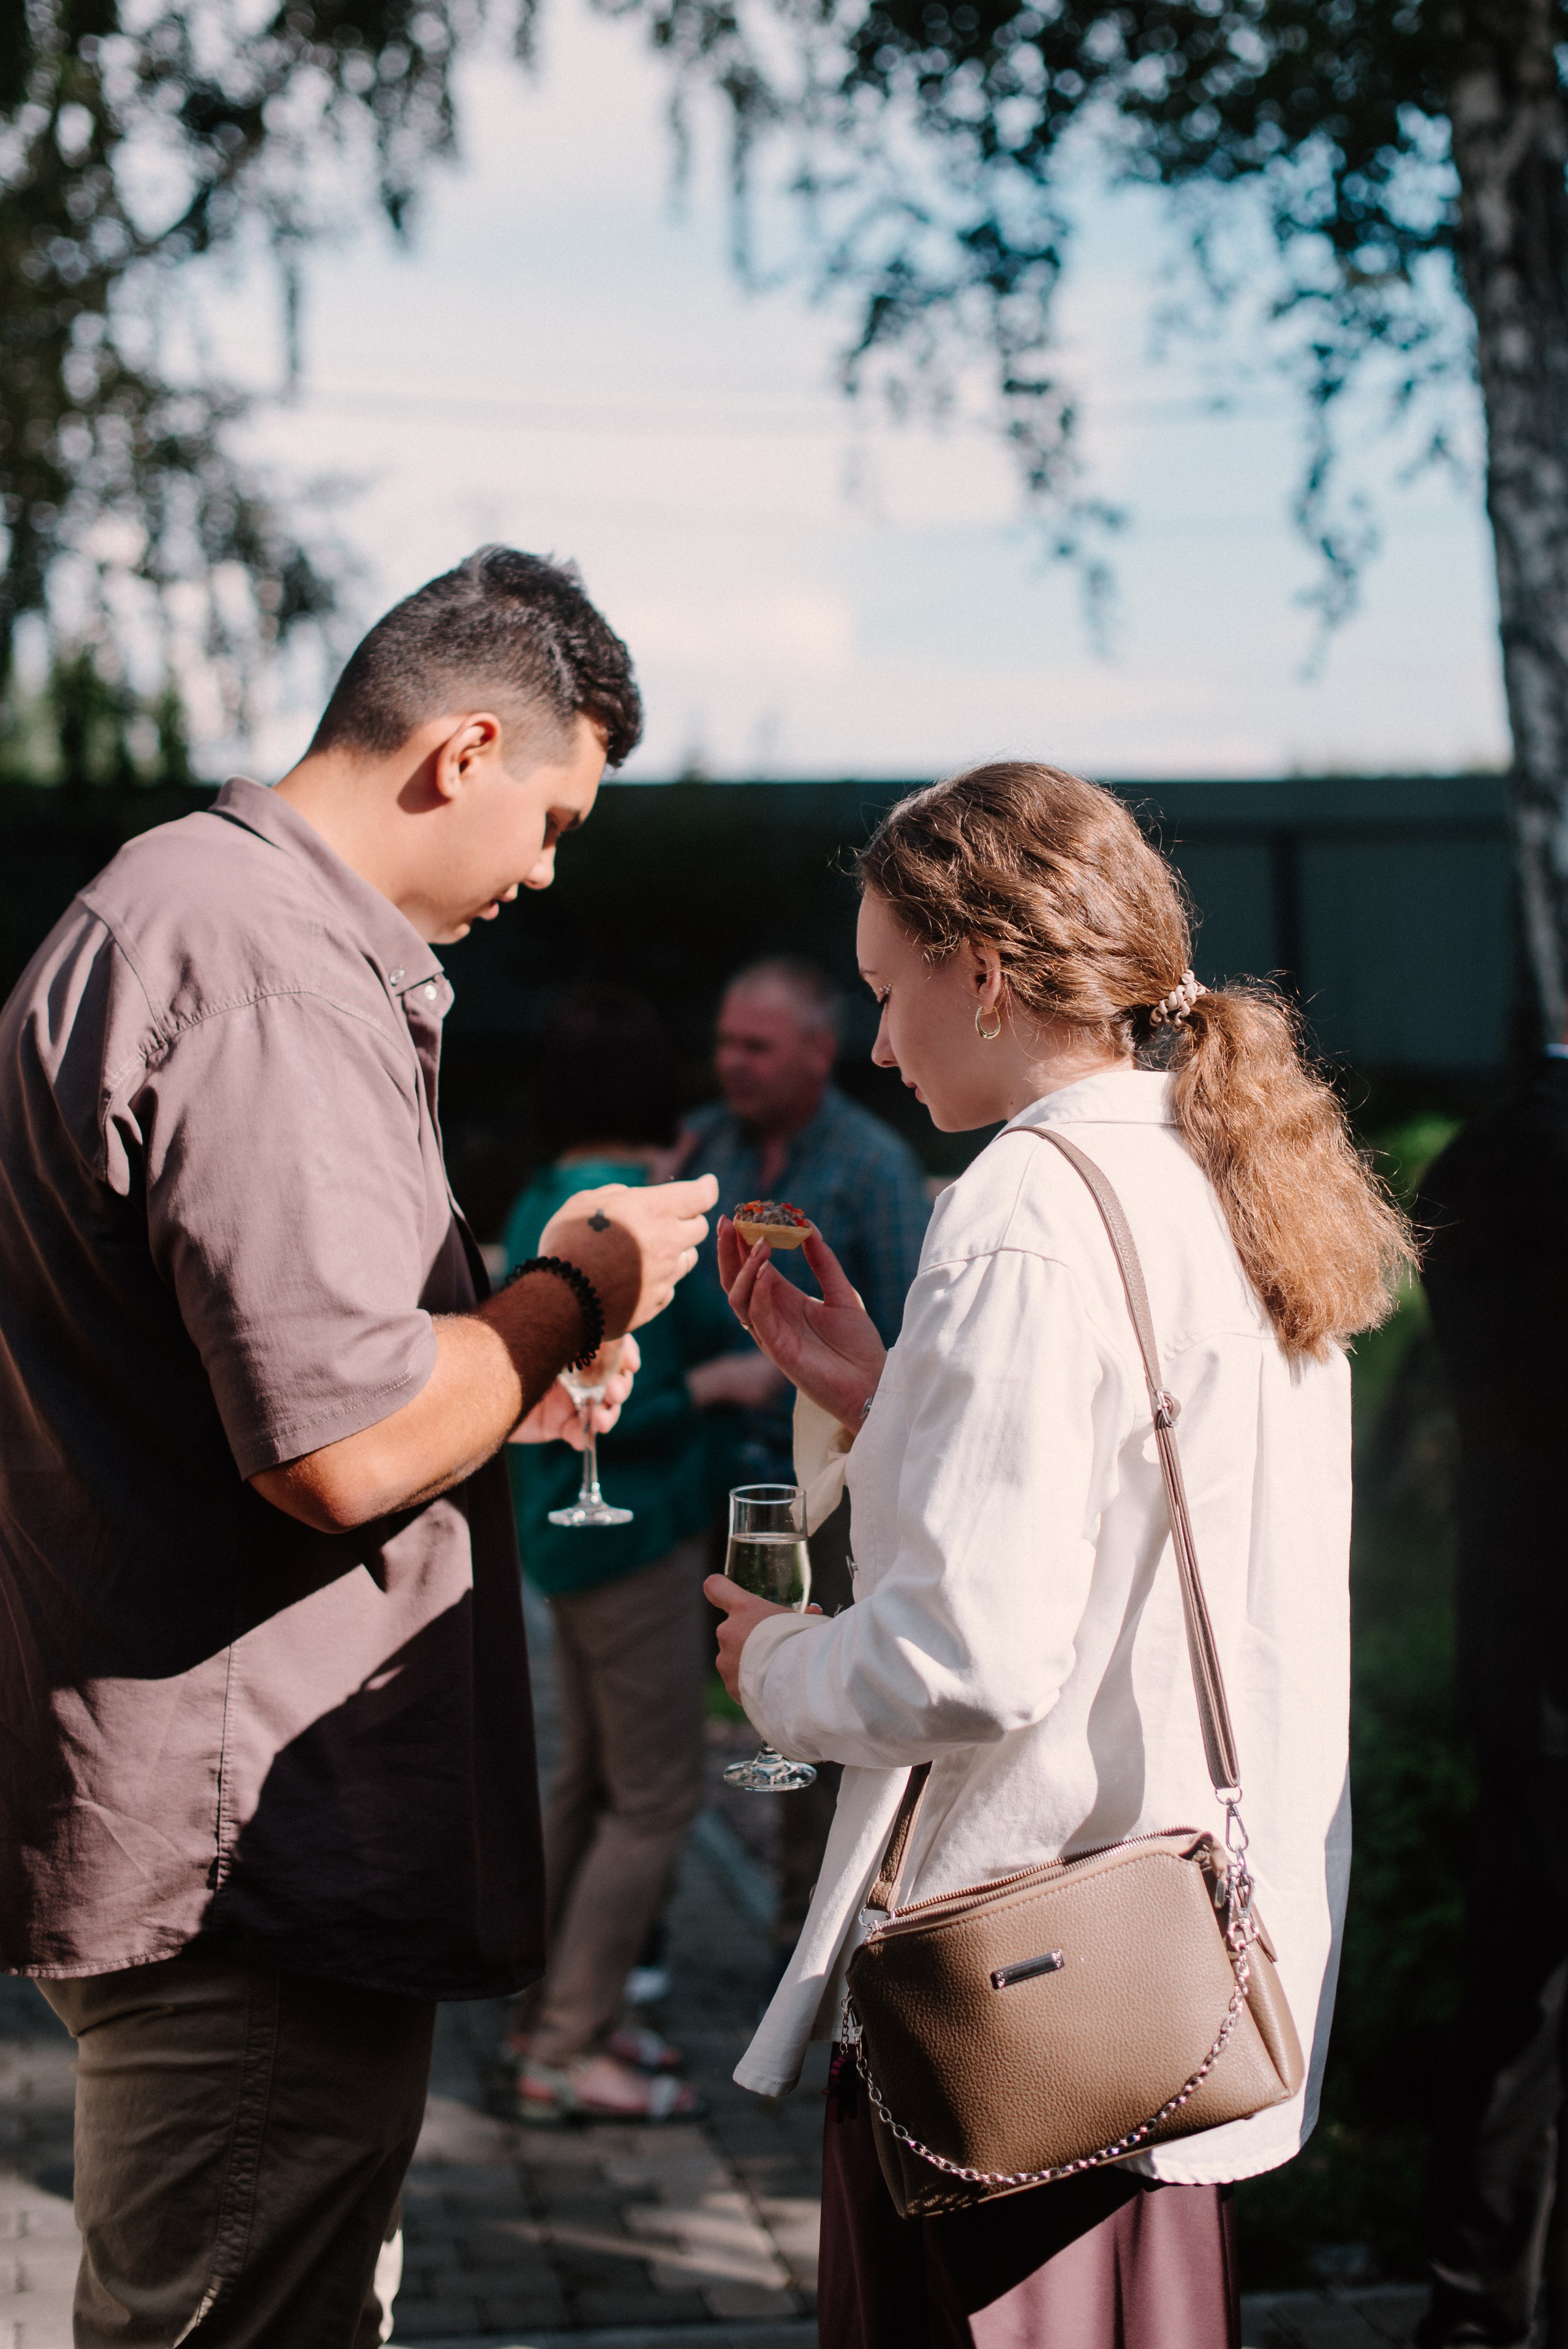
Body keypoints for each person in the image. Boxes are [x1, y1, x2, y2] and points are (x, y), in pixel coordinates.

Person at [0, 545, 717, 2349]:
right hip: (252, 1859)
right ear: (465, 748)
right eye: (553, 816)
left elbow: (255, 1373)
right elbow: (338, 1446)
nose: (547, 871)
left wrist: (509, 1385)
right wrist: (579, 1287)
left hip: (201, 1818)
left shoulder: (189, 915)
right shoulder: (271, 974)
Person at [704, 764, 1414, 2348]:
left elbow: (970, 1657)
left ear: (985, 968)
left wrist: (773, 1665)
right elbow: (1139, 1528)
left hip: (1014, 2015)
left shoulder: (1028, 1197)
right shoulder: (1221, 1167)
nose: (878, 1042)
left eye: (889, 991)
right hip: (1172, 1990)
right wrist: (888, 1399)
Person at [500, 985, 775, 2122]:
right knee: (658, 1798)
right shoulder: (620, 1214)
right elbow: (622, 1397)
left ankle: (552, 2011)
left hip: (557, 1540)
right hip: (633, 1535)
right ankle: (564, 2047)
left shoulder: (537, 1201)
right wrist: (721, 1380)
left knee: (589, 1781)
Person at [682, 956, 930, 1946]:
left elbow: (914, 1334)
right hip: (710, 1476)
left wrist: (792, 1375)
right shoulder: (707, 1149)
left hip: (830, 1492)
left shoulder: (872, 1165)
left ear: (819, 1053)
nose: (732, 1063)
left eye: (757, 1046)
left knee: (814, 1721)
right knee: (728, 1691)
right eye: (726, 1043)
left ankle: (815, 1934)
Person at [1414, 1035, 1568, 2349]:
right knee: (1523, 1994)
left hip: (1519, 1634)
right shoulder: (1538, 1147)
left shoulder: (1502, 1137)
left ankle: (1473, 2313)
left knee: (1520, 1993)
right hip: (1545, 1647)